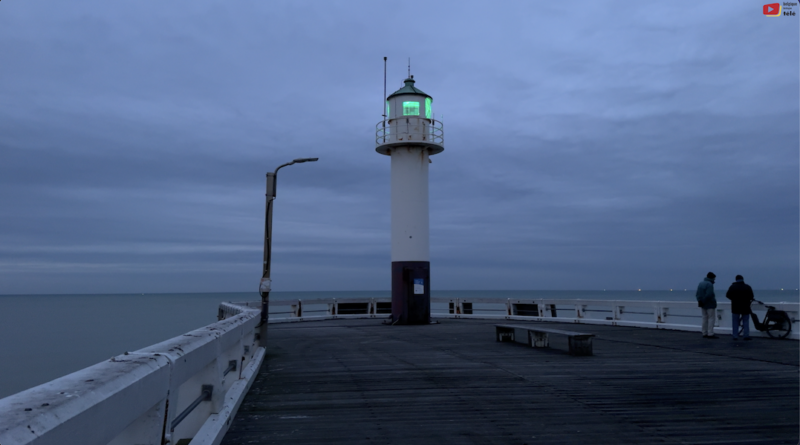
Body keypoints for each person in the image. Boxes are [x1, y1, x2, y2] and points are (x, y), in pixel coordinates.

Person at [726, 275, 755, 340]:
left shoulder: (732, 287)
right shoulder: (747, 287)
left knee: (735, 322)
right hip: (745, 306)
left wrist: (733, 299)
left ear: (736, 279)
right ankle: (746, 335)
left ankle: (735, 336)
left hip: (735, 306)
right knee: (746, 321)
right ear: (743, 279)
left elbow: (727, 295)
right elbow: (751, 296)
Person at [696, 272, 718, 338]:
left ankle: (704, 332)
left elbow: (697, 294)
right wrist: (705, 301)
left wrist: (700, 301)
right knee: (711, 318)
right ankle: (710, 333)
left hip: (702, 304)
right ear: (712, 278)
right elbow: (709, 294)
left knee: (704, 318)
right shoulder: (709, 284)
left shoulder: (701, 283)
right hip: (710, 304)